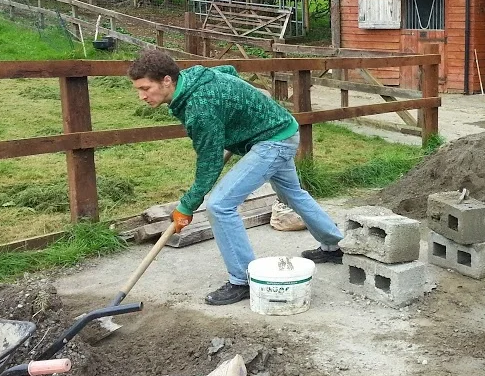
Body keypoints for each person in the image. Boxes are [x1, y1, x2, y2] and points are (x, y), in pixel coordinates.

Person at [128, 49, 344, 305]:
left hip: (272, 141)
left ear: (166, 80)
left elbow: (209, 165)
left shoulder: (200, 108)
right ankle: (334, 246)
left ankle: (242, 280)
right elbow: (228, 70)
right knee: (291, 194)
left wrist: (186, 206)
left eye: (145, 88)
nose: (142, 96)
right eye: (138, 89)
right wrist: (234, 116)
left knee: (220, 205)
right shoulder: (194, 78)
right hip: (281, 128)